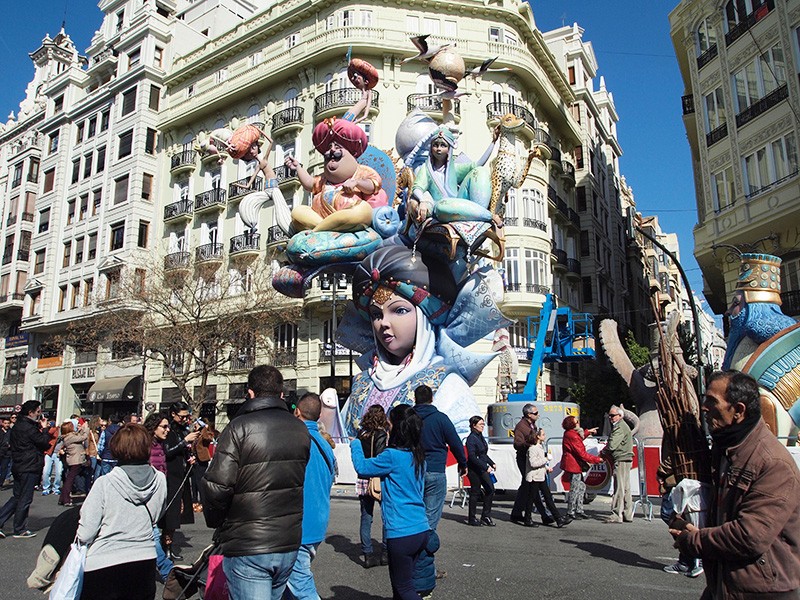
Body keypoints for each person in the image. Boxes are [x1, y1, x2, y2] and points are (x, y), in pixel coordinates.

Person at [671, 371, 800, 598]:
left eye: (712, 401)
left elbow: (750, 536)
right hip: (724, 584)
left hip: (763, 591)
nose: (704, 408)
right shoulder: (725, 449)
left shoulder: (772, 462)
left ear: (739, 411)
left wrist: (693, 540)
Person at [341, 244, 485, 439]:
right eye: (376, 315)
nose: (384, 323)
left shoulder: (446, 383)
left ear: (424, 317)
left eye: (399, 310)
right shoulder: (362, 383)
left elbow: (464, 442)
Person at [202, 366, 310, 600]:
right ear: (281, 394)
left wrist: (217, 521)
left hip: (248, 542)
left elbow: (217, 486)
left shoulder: (239, 426)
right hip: (287, 539)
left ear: (250, 393)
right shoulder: (300, 429)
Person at [76, 423, 168, 600]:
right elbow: (156, 515)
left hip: (104, 561)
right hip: (144, 559)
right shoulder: (160, 480)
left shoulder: (104, 483)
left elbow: (86, 533)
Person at [350, 404, 430, 600]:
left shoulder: (392, 456)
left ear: (398, 428)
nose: (387, 428)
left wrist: (356, 444)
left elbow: (362, 467)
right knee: (401, 585)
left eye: (389, 424)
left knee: (404, 588)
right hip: (420, 527)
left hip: (401, 531)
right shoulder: (418, 455)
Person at [285, 392, 336, 600]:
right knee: (288, 585)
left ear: (297, 412)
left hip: (298, 525)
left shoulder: (295, 440)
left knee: (302, 587)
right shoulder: (325, 444)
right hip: (318, 522)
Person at [414, 384, 467, 532]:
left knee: (412, 511)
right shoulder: (440, 418)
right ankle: (426, 541)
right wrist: (462, 463)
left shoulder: (408, 418)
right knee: (431, 514)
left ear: (415, 399)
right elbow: (455, 443)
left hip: (412, 468)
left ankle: (412, 539)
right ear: (432, 398)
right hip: (435, 468)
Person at [0, 401, 51, 538]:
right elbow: (44, 443)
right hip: (29, 465)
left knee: (17, 496)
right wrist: (44, 429)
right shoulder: (29, 428)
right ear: (30, 412)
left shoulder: (18, 426)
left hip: (18, 464)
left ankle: (3, 521)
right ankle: (20, 528)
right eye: (38, 412)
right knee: (25, 498)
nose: (40, 414)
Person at [162, 401, 199, 561]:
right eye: (182, 416)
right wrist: (184, 442)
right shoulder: (168, 430)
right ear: (173, 414)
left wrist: (189, 457)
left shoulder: (182, 430)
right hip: (171, 475)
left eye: (186, 416)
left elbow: (181, 450)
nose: (184, 419)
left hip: (181, 474)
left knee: (177, 512)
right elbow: (167, 452)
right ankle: (165, 546)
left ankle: (169, 544)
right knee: (170, 512)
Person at [355, 405, 389, 568]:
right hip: (378, 479)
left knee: (366, 517)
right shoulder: (381, 434)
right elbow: (380, 459)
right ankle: (385, 553)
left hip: (363, 478)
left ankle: (367, 554)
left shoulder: (361, 433)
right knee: (386, 516)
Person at [143, 412, 175, 581]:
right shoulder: (146, 444)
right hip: (146, 494)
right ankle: (167, 571)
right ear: (153, 427)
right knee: (153, 533)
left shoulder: (160, 444)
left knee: (150, 531)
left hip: (156, 494)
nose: (167, 430)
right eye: (164, 426)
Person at [561, 415, 603, 520]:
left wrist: (588, 432)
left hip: (574, 464)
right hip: (574, 465)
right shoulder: (573, 435)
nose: (578, 423)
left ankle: (578, 510)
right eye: (577, 422)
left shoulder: (570, 433)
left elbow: (578, 440)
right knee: (575, 488)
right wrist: (597, 459)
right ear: (572, 424)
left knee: (581, 487)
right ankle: (571, 511)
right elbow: (581, 453)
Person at [525, 428, 569, 528]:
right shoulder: (533, 449)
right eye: (543, 434)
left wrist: (546, 468)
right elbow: (533, 463)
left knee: (548, 497)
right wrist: (546, 459)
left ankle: (558, 519)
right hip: (534, 477)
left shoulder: (539, 447)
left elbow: (538, 462)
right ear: (538, 436)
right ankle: (528, 519)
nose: (545, 436)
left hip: (540, 476)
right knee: (532, 498)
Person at [509, 403, 541, 525]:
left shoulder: (532, 425)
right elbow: (517, 444)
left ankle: (516, 513)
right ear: (529, 414)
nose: (538, 415)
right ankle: (539, 513)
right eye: (535, 413)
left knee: (526, 486)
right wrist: (531, 445)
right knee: (529, 484)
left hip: (530, 457)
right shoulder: (521, 426)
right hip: (524, 458)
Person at [602, 405, 633, 524]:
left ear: (620, 416)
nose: (610, 418)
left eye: (612, 415)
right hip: (625, 458)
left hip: (621, 458)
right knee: (625, 487)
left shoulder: (619, 427)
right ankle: (627, 514)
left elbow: (612, 445)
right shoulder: (622, 426)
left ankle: (616, 514)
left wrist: (604, 451)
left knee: (619, 487)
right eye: (609, 415)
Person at [465, 415, 495, 527]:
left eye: (483, 424)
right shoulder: (471, 439)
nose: (483, 426)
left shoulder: (480, 437)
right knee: (475, 491)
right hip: (474, 469)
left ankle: (485, 516)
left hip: (482, 468)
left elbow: (483, 454)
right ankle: (472, 518)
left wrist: (491, 463)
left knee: (490, 489)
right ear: (474, 425)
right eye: (480, 424)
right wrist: (485, 466)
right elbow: (472, 457)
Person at [59, 421, 89, 506]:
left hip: (74, 459)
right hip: (75, 460)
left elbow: (78, 435)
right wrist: (86, 428)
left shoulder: (69, 436)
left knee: (69, 479)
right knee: (70, 480)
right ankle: (66, 499)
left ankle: (62, 498)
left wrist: (81, 429)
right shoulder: (70, 437)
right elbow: (83, 437)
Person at [191, 418, 215, 513]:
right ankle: (194, 500)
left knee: (200, 481)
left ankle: (203, 501)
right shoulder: (196, 434)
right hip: (194, 460)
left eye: (197, 424)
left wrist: (205, 428)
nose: (195, 425)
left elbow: (207, 439)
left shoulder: (206, 434)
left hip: (202, 460)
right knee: (193, 481)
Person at [40, 420, 61, 496]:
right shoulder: (47, 431)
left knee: (59, 472)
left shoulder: (60, 431)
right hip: (48, 452)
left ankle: (56, 487)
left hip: (58, 453)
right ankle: (46, 487)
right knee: (46, 471)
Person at [0, 416, 11, 488]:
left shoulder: (11, 431)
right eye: (5, 423)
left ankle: (1, 483)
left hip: (7, 453)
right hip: (0, 451)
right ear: (2, 423)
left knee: (4, 469)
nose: (7, 425)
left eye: (8, 423)